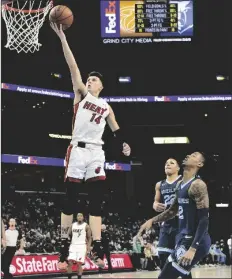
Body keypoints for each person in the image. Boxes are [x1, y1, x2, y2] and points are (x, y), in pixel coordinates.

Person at [50, 23, 131, 270]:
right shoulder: (82, 95)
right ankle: (64, 245)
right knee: (70, 199)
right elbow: (73, 66)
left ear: (101, 86)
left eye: (93, 79)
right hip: (77, 150)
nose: (89, 80)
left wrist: (125, 145)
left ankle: (97, 243)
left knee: (97, 198)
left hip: (96, 151)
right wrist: (62, 37)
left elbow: (116, 129)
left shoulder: (106, 106)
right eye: (89, 78)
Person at [139, 152, 211, 279]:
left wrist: (193, 249)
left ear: (199, 164)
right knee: (175, 273)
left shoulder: (198, 185)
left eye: (194, 156)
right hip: (184, 239)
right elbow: (172, 211)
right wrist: (152, 220)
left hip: (195, 241)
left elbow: (204, 220)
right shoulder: (180, 185)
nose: (189, 155)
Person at [153, 158, 182, 269]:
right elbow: (156, 201)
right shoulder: (159, 184)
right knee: (163, 255)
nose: (168, 164)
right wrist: (155, 205)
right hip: (166, 222)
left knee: (181, 258)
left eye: (172, 163)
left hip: (181, 222)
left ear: (178, 168)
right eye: (166, 163)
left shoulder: (184, 181)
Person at [67, 213, 92, 279]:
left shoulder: (86, 226)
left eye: (81, 216)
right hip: (73, 245)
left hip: (82, 246)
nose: (79, 217)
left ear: (83, 217)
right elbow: (69, 234)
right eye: (78, 216)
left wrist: (88, 248)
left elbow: (89, 238)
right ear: (76, 217)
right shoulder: (73, 225)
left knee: (79, 264)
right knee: (69, 262)